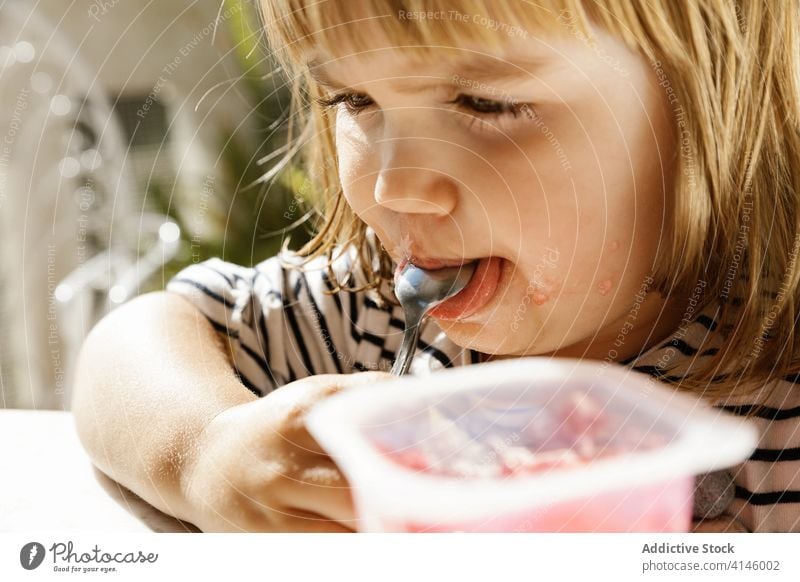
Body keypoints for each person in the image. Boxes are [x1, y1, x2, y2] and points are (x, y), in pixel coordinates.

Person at [72, 0, 800, 532]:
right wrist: (204, 452)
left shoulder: (777, 407)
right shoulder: (376, 319)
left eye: (486, 102)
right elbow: (133, 342)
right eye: (354, 98)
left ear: (712, 107)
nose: (395, 187)